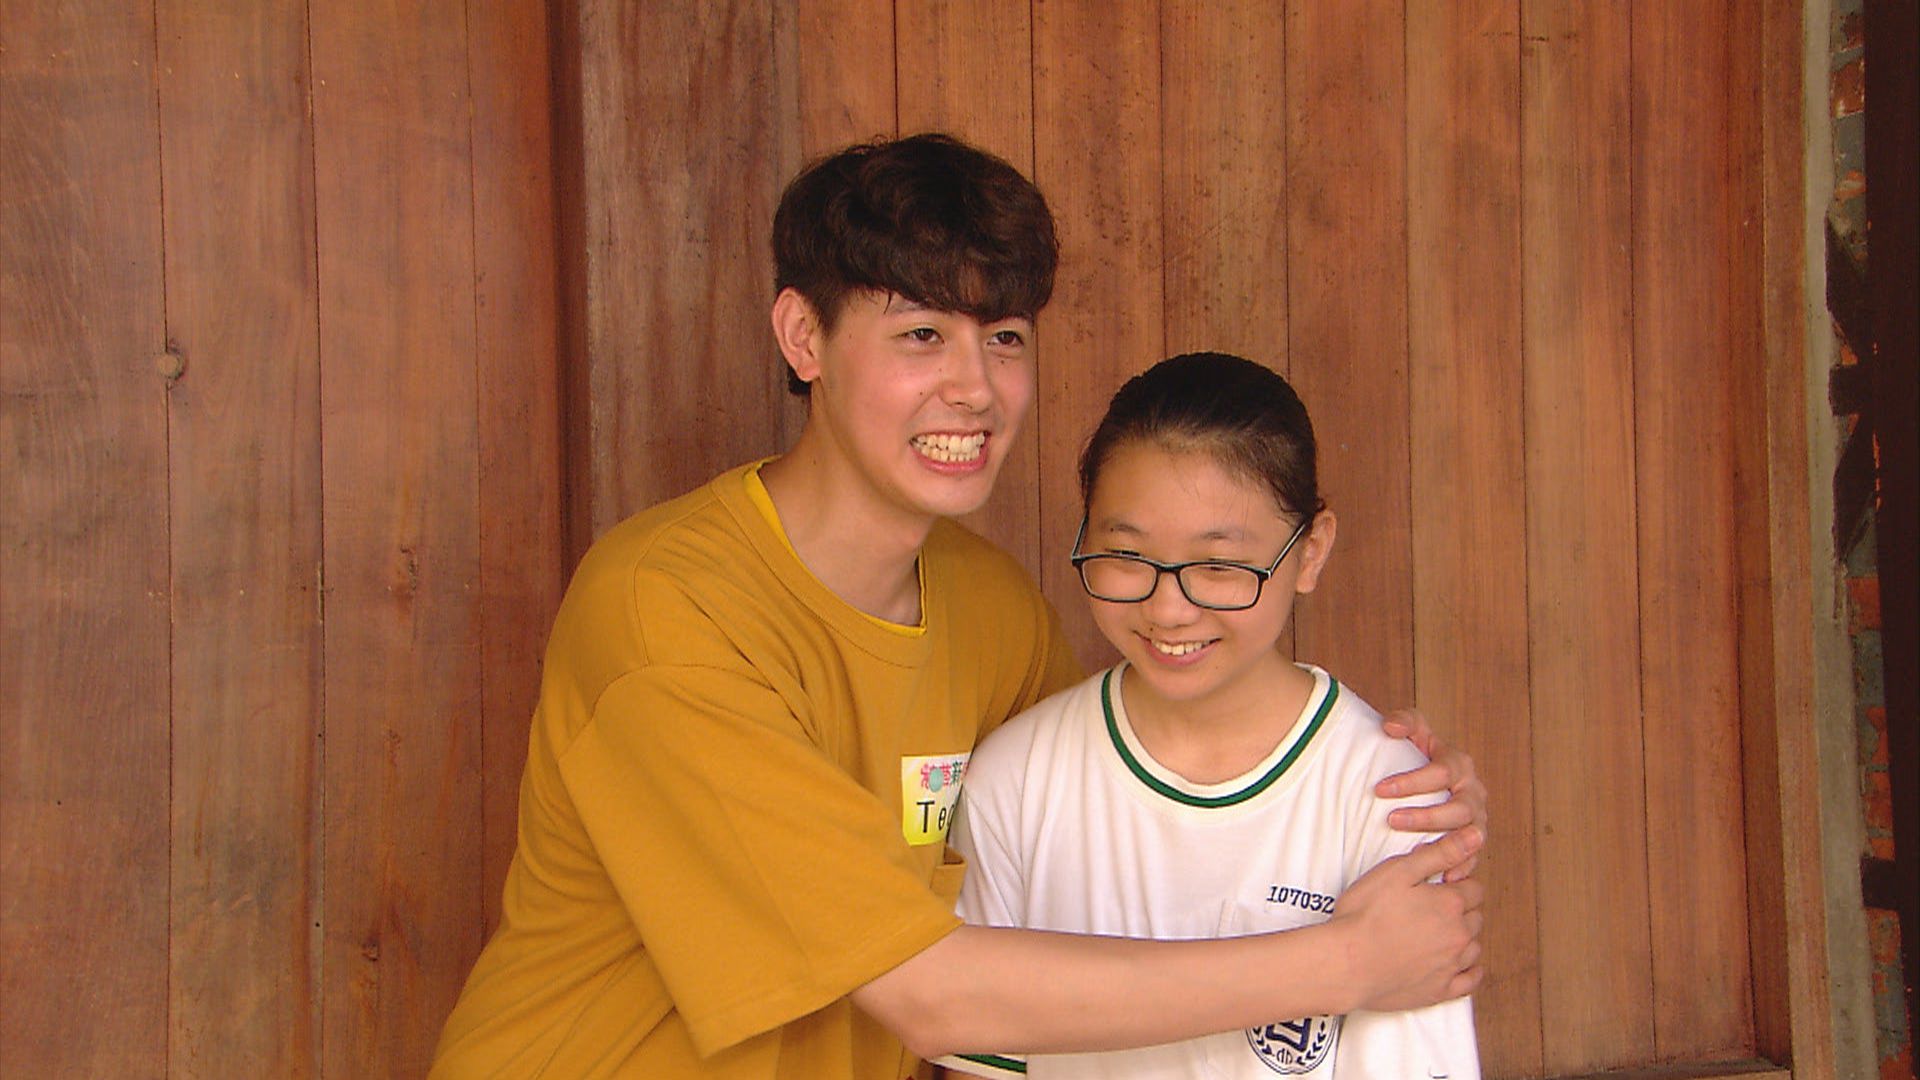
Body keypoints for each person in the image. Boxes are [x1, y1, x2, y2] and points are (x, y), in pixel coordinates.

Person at [429, 135, 1485, 1080]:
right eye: (923, 334)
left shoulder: (989, 605)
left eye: (1005, 337)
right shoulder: (667, 610)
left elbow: (1117, 795)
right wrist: (1350, 962)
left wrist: (1384, 786)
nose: (976, 387)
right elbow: (931, 997)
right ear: (803, 337)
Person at [937, 351, 1481, 1079]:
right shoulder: (1015, 779)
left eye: (1220, 567)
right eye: (1126, 556)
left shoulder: (1393, 797)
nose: (1168, 609)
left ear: (1311, 551)